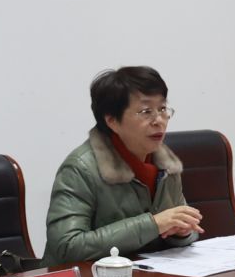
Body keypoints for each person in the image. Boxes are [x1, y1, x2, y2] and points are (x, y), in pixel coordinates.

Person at [42, 66, 202, 264]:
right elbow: (67, 247)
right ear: (112, 121)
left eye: (162, 109)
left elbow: (180, 227)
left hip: (147, 274)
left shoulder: (166, 165)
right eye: (146, 111)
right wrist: (153, 224)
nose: (159, 120)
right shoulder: (80, 168)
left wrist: (181, 232)